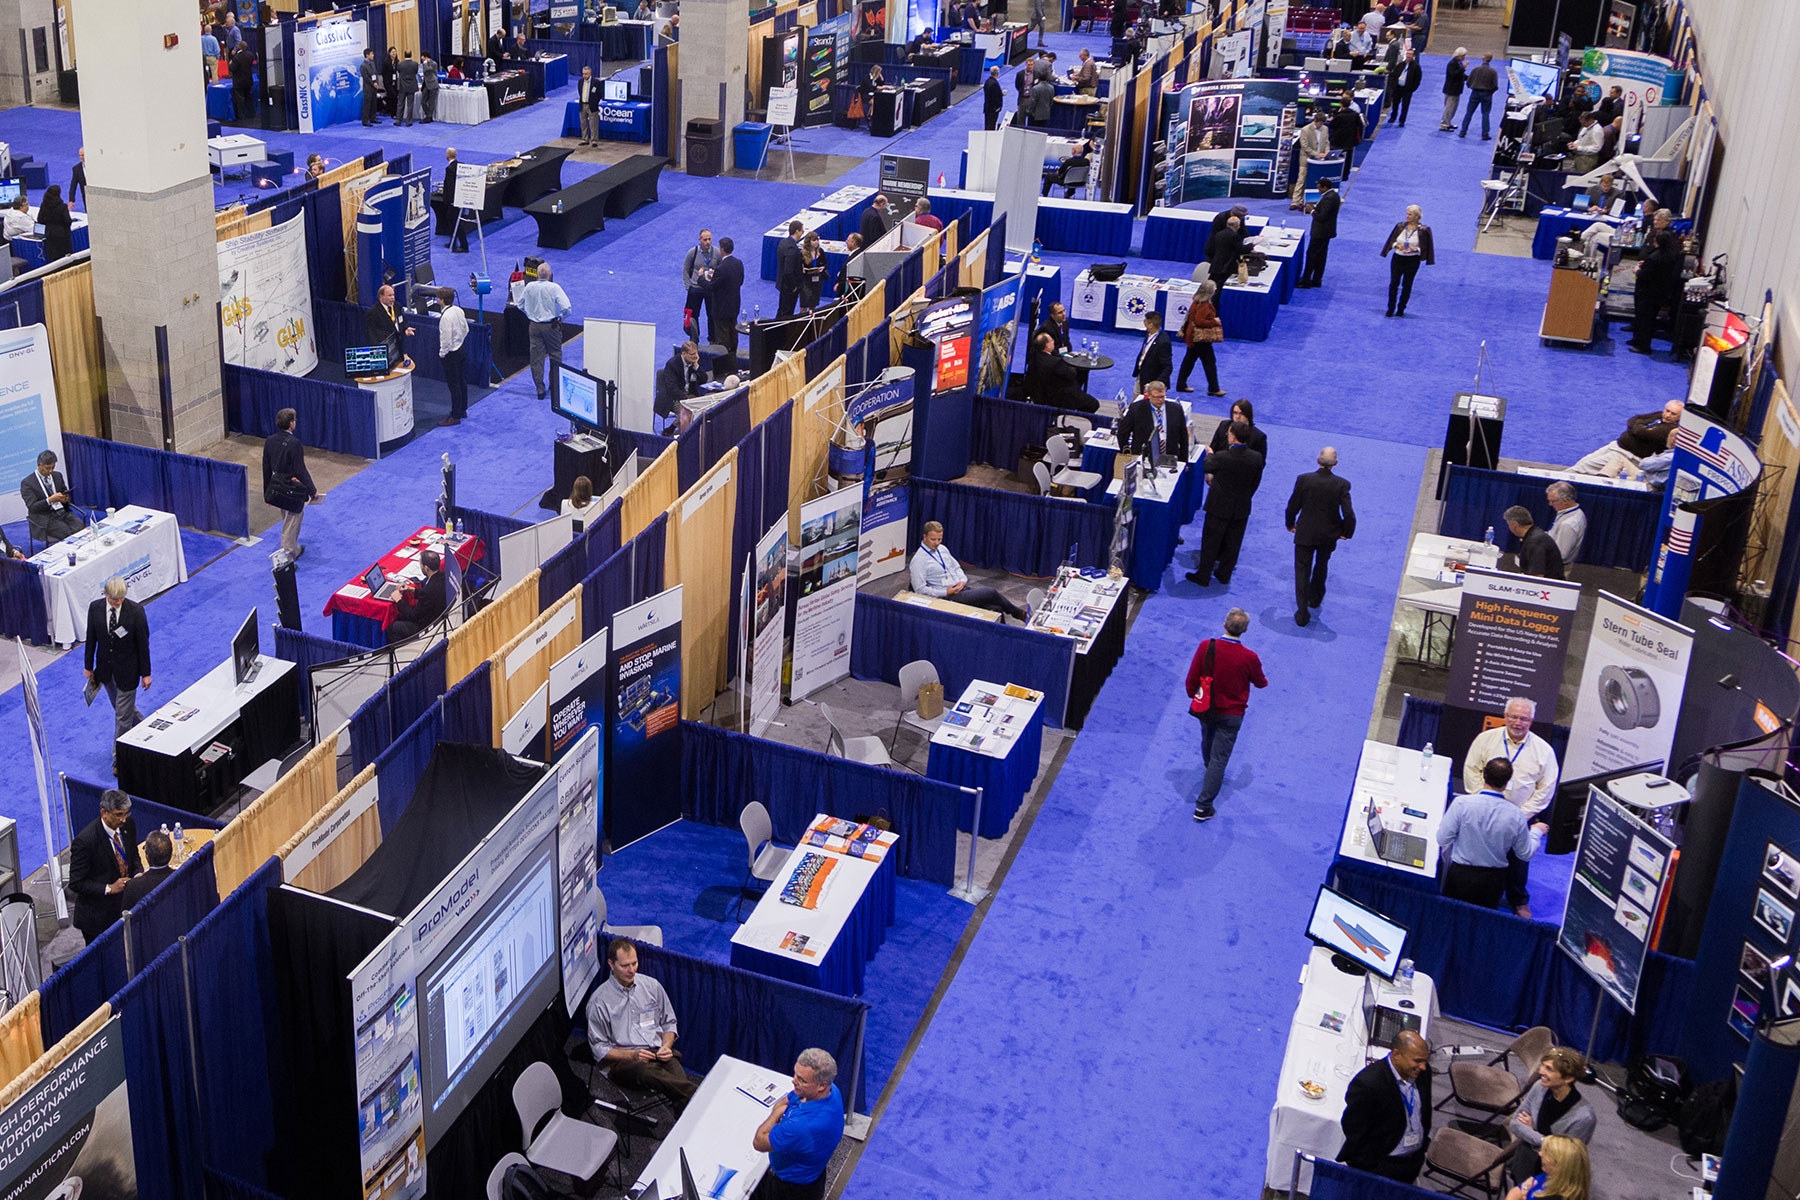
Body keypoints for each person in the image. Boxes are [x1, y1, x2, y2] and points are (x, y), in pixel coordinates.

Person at [1462, 696, 1560, 916]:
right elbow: (1471, 770)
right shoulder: (1485, 739)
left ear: (1531, 721)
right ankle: (1476, 894)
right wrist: (1483, 803)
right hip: (1483, 812)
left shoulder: (1543, 751)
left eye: (1523, 719)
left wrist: (1520, 816)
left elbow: (1546, 789)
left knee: (1518, 860)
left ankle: (1518, 900)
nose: (1517, 722)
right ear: (1505, 716)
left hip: (1520, 817)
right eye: (1513, 717)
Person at [586, 938, 700, 1111]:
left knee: (680, 1095)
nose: (631, 970)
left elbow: (669, 1023)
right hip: (625, 1061)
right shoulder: (599, 1002)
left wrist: (666, 1046)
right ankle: (700, 1094)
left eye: (635, 963)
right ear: (611, 964)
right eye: (625, 966)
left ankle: (689, 1123)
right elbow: (599, 1049)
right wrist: (633, 1055)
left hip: (657, 1052)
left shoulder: (651, 986)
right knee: (654, 1075)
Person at [1184, 607, 1268, 821]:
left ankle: (1209, 770)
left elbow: (1192, 676)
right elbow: (1260, 682)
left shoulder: (1206, 646)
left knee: (1207, 740)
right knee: (1219, 759)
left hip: (1207, 707)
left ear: (1225, 625)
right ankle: (1203, 807)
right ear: (1245, 630)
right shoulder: (1249, 657)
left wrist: (1193, 695)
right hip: (1232, 714)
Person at [1440, 758, 1549, 907]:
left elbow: (1442, 838)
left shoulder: (1461, 804)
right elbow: (1525, 853)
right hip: (1492, 882)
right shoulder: (1516, 815)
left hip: (1459, 876)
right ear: (1507, 782)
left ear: (1484, 775)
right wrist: (1536, 832)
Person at [1338, 1031, 1432, 1183]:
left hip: (1413, 1160)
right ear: (1396, 1054)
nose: (1423, 1067)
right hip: (1380, 1168)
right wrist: (1371, 1167)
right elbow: (1353, 1129)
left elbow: (1425, 1113)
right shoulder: (1368, 1084)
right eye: (1417, 1061)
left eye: (1425, 1061)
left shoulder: (1422, 1073)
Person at [752, 1049, 844, 1200]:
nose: (794, 1081)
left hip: (789, 1190)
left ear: (821, 1085)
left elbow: (759, 1142)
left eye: (802, 1080)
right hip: (812, 1175)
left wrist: (776, 1115)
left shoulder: (801, 1127)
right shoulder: (832, 1091)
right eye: (795, 1074)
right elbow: (787, 1100)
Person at [85, 577, 152, 765]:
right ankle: (148, 731)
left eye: (121, 598)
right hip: (106, 672)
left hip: (129, 672)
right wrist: (88, 666)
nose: (118, 602)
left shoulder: (136, 612)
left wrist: (146, 673)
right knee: (122, 709)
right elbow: (91, 638)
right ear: (106, 594)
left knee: (122, 717)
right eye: (115, 599)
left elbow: (143, 645)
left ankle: (119, 759)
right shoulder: (95, 608)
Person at [1188, 422, 1264, 588]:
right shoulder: (1257, 458)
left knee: (1210, 542)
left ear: (1233, 437)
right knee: (1233, 543)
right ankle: (1224, 574)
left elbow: (1207, 466)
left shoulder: (1221, 457)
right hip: (1241, 507)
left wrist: (1209, 453)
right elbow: (1255, 482)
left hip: (1218, 507)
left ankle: (1204, 575)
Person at [1286, 446, 1355, 626]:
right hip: (1328, 534)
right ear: (1336, 464)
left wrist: (1290, 523)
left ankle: (1302, 613)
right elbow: (1348, 513)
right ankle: (1315, 598)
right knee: (1322, 564)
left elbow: (1293, 505)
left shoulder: (1304, 480)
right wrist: (1346, 532)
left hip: (1305, 532)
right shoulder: (1342, 484)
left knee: (1301, 570)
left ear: (1318, 461)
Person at [908, 521, 1028, 620]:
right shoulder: (919, 560)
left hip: (962, 589)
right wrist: (946, 592)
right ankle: (1017, 613)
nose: (937, 543)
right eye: (933, 539)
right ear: (924, 537)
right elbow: (920, 589)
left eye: (939, 539)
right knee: (990, 592)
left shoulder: (942, 549)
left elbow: (956, 568)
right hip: (949, 597)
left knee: (996, 608)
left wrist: (962, 581)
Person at [67, 789, 142, 944]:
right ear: (104, 813)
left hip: (124, 906)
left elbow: (134, 855)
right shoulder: (85, 841)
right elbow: (76, 883)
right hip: (97, 917)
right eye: (118, 814)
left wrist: (138, 874)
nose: (123, 819)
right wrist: (109, 888)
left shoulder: (129, 825)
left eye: (126, 813)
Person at [1507, 1057, 1597, 1184]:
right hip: (1524, 1163)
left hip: (1551, 1180)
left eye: (1548, 1069)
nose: (1541, 1071)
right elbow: (1515, 1124)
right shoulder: (1539, 1087)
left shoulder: (1585, 1117)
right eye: (1542, 1066)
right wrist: (1547, 1141)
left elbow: (1565, 1157)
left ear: (1568, 1078)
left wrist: (1531, 1131)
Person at [262, 407, 318, 562]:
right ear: (291, 424)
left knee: (288, 518)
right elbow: (300, 470)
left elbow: (265, 467)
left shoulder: (270, 441)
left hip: (277, 486)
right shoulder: (294, 443)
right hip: (290, 488)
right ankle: (288, 556)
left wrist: (267, 493)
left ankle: (294, 548)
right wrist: (313, 490)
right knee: (292, 520)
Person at [1570, 399, 1683, 473]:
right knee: (1583, 462)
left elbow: (1641, 432)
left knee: (1585, 467)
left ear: (1679, 417)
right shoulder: (1658, 415)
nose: (1668, 415)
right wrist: (1639, 426)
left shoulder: (1670, 430)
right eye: (1667, 411)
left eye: (1673, 414)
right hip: (1616, 445)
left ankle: (1557, 484)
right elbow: (1634, 419)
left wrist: (1638, 426)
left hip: (1627, 456)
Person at [520, 263, 573, 399]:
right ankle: (554, 386)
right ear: (550, 275)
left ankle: (539, 389)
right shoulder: (554, 287)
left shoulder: (529, 287)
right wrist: (561, 317)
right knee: (555, 355)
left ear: (537, 274)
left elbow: (520, 304)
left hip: (534, 326)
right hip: (551, 326)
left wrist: (530, 314)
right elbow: (567, 308)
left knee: (536, 358)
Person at [1630, 228, 1685, 355]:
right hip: (1660, 292)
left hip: (1647, 293)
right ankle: (1638, 341)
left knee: (1644, 320)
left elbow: (1645, 275)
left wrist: (1637, 270)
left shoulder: (1654, 257)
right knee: (1649, 319)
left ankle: (1643, 346)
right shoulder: (1671, 255)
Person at [1379, 205, 1433, 317]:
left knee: (1407, 285)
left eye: (1410, 214)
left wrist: (1416, 249)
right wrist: (1397, 245)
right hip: (1398, 258)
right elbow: (1391, 241)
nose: (1407, 216)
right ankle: (1390, 308)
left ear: (1417, 217)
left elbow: (1426, 248)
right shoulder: (1400, 226)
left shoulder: (1424, 230)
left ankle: (1401, 309)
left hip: (1412, 260)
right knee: (1394, 283)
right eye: (1407, 214)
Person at [1024, 333, 1098, 412]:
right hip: (1059, 397)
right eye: (1052, 341)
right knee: (1093, 404)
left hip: (1039, 396)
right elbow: (1071, 375)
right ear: (1047, 346)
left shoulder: (1033, 358)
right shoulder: (1056, 362)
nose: (1054, 342)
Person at [22, 450, 84, 544]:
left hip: (62, 512)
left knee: (80, 526)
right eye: (47, 468)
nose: (50, 471)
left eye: (53, 468)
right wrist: (50, 500)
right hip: (45, 517)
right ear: (39, 465)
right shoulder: (27, 483)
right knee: (67, 532)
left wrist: (65, 499)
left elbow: (65, 492)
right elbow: (33, 507)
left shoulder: (57, 476)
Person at [387, 550, 448, 643]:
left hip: (426, 627)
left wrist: (399, 600)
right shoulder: (443, 577)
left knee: (393, 627)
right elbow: (429, 594)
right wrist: (412, 589)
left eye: (420, 564)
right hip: (439, 615)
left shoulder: (428, 591)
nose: (420, 567)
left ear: (426, 568)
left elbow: (413, 616)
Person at [1176, 281, 1225, 397]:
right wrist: (1214, 321)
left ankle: (1181, 384)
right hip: (1200, 339)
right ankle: (1213, 388)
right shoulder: (1204, 305)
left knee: (1189, 361)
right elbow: (1199, 321)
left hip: (1192, 337)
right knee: (1210, 363)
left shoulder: (1196, 301)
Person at [1119, 381, 1188, 462]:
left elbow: (1183, 437)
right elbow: (1122, 433)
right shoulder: (1136, 409)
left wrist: (1184, 460)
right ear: (1149, 396)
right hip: (1144, 457)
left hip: (1170, 457)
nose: (1160, 400)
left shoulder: (1176, 409)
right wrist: (1127, 454)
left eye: (1162, 396)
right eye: (1157, 397)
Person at [1505, 1136, 1592, 1200]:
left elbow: (1522, 1189)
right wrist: (1524, 1191)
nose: (1540, 1154)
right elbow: (1515, 1191)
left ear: (1559, 1164)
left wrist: (1524, 1194)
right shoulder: (1549, 1175)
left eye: (1546, 1152)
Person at [1297, 175, 1341, 288]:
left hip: (1320, 232)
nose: (1318, 190)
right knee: (1321, 256)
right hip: (1326, 232)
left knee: (1312, 255)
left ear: (1325, 187)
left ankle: (1306, 281)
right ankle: (1317, 280)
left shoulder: (1328, 198)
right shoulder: (1334, 195)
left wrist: (1312, 211)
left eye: (1319, 188)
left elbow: (1321, 217)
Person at [1504, 505, 1566, 580]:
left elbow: (1537, 577)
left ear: (1514, 525)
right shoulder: (1533, 534)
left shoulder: (1535, 542)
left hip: (1549, 587)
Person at [437, 287, 470, 425]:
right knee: (461, 381)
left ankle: (455, 416)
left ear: (441, 300)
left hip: (451, 354)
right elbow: (466, 329)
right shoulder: (458, 310)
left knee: (454, 385)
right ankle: (462, 410)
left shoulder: (445, 317)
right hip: (461, 350)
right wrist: (459, 342)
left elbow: (446, 339)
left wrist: (442, 354)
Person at [711, 237, 745, 373]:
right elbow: (740, 281)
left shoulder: (721, 268)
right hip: (734, 304)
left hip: (721, 308)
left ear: (722, 249)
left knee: (723, 337)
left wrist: (701, 278)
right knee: (733, 332)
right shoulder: (739, 263)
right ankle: (734, 359)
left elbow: (711, 286)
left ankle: (725, 366)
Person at [655, 341, 707, 427]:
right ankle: (674, 430)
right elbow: (672, 388)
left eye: (696, 353)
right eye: (692, 354)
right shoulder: (672, 364)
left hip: (690, 395)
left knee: (703, 409)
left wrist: (696, 366)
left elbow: (703, 380)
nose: (695, 356)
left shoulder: (693, 361)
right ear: (684, 354)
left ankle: (673, 428)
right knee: (689, 412)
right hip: (674, 398)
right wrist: (687, 399)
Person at [120, 831, 175, 910]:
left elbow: (126, 919)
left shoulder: (132, 887)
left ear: (147, 857)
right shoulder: (180, 876)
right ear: (171, 854)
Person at [682, 228, 719, 340]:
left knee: (712, 315)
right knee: (693, 315)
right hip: (695, 288)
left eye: (709, 239)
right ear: (700, 240)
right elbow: (685, 269)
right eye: (705, 240)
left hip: (710, 288)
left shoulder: (717, 252)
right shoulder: (692, 253)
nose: (708, 242)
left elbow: (722, 269)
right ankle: (694, 338)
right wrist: (688, 286)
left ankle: (712, 338)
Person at [1292, 110, 1333, 207]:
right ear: (1315, 120)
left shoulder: (1325, 129)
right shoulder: (1305, 129)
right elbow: (1304, 146)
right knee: (1301, 180)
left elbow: (1326, 142)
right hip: (1306, 159)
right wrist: (1316, 154)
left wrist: (1326, 153)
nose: (1321, 125)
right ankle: (1295, 201)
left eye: (1323, 123)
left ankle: (1315, 202)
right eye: (1319, 123)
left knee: (1318, 181)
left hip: (1320, 161)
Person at [1460, 52, 1500, 139]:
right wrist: (1490, 93)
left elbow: (1469, 82)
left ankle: (1463, 131)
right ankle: (1485, 134)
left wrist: (1473, 87)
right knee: (1485, 114)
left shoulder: (1476, 69)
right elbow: (1495, 86)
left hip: (1475, 92)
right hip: (1487, 94)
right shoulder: (1493, 72)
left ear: (1483, 59)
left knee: (1469, 113)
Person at [1545, 481, 1586, 565]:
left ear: (1565, 501)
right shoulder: (1576, 512)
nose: (1550, 504)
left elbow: (1561, 554)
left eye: (1553, 501)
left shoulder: (1568, 524)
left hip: (1554, 567)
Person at [1132, 311, 1173, 392]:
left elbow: (1168, 367)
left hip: (1152, 382)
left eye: (1145, 322)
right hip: (1143, 374)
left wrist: (1156, 385)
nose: (1144, 323)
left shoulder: (1163, 342)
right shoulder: (1149, 333)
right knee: (1136, 401)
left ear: (1151, 325)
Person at [1205, 214, 1247, 290]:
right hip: (1226, 266)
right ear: (1237, 226)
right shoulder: (1234, 236)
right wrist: (1252, 245)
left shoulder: (1219, 234)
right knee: (1219, 287)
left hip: (1216, 264)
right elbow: (1241, 249)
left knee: (1210, 284)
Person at [443, 148, 471, 253]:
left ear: (447, 157)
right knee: (452, 220)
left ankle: (464, 245)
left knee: (454, 222)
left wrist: (450, 200)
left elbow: (450, 186)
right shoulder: (461, 165)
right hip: (461, 197)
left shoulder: (450, 169)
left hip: (454, 200)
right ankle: (453, 242)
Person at [776, 220, 804, 319]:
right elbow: (788, 271)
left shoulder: (783, 243)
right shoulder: (792, 249)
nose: (802, 233)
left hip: (782, 284)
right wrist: (794, 287)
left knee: (782, 309)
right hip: (789, 287)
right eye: (802, 231)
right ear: (797, 231)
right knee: (787, 313)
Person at [37, 185, 72, 263]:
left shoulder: (44, 205)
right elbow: (67, 221)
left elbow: (40, 219)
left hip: (50, 235)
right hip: (62, 236)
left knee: (55, 260)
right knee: (65, 260)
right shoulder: (62, 207)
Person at [1329, 93, 1364, 165]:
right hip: (1349, 142)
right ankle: (1345, 175)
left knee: (1335, 161)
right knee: (1347, 162)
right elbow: (1360, 126)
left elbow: (1332, 125)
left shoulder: (1339, 116)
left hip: (1337, 142)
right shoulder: (1355, 115)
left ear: (1341, 104)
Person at [1391, 48, 1422, 125]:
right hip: (1398, 88)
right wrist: (1393, 85)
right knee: (1395, 104)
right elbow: (1394, 75)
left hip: (1407, 89)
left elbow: (1417, 80)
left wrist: (1411, 89)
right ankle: (1393, 117)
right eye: (1407, 54)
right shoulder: (1400, 65)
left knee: (1405, 106)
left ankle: (1402, 120)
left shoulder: (1416, 67)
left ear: (1413, 56)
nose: (1408, 56)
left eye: (1410, 54)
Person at [798, 233, 828, 312]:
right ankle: (801, 322)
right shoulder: (802, 253)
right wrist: (803, 270)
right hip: (806, 282)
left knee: (813, 304)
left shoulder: (820, 251)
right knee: (804, 304)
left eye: (817, 240)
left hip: (817, 281)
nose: (816, 242)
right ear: (809, 242)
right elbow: (798, 267)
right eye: (814, 240)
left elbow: (825, 264)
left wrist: (823, 268)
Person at [1440, 47, 1467, 130]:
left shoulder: (1458, 63)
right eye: (1463, 56)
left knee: (1453, 108)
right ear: (1459, 56)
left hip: (1456, 90)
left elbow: (1460, 75)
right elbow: (1453, 75)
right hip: (1451, 89)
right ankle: (1444, 124)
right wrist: (1463, 69)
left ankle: (1448, 122)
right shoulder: (1452, 63)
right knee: (1449, 107)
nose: (1464, 57)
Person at [231, 42, 256, 120]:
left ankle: (241, 116)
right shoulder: (250, 55)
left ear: (239, 47)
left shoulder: (237, 58)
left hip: (239, 81)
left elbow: (232, 69)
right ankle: (251, 114)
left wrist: (230, 64)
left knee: (240, 99)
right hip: (248, 80)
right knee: (249, 97)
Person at [577, 64, 602, 144]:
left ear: (590, 74)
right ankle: (585, 139)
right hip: (582, 105)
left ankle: (594, 140)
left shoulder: (596, 82)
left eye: (586, 74)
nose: (584, 75)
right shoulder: (580, 82)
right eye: (583, 74)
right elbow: (580, 93)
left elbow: (599, 94)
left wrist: (595, 102)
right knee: (583, 123)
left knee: (593, 124)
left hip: (592, 106)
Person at [395, 49, 420, 126]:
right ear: (411, 55)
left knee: (400, 104)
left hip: (402, 86)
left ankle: (398, 120)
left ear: (404, 55)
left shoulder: (400, 64)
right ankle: (408, 121)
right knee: (410, 105)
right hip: (411, 86)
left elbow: (398, 72)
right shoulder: (415, 64)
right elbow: (415, 72)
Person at [360, 47, 380, 125]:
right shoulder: (363, 65)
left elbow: (375, 74)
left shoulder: (372, 63)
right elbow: (366, 78)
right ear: (367, 55)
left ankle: (373, 118)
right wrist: (373, 83)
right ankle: (365, 121)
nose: (373, 55)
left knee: (374, 104)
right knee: (367, 105)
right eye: (371, 54)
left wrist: (377, 82)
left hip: (374, 87)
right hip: (368, 88)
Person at [983, 65, 1004, 130]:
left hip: (987, 107)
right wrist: (998, 107)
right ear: (997, 73)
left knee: (987, 124)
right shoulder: (994, 83)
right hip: (992, 109)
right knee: (991, 125)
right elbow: (995, 97)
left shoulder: (987, 81)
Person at [420, 54, 440, 122]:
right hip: (425, 84)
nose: (421, 58)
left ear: (425, 57)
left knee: (431, 102)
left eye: (422, 57)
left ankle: (429, 117)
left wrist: (425, 63)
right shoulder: (424, 64)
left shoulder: (434, 63)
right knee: (423, 101)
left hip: (433, 84)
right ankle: (428, 115)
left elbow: (428, 69)